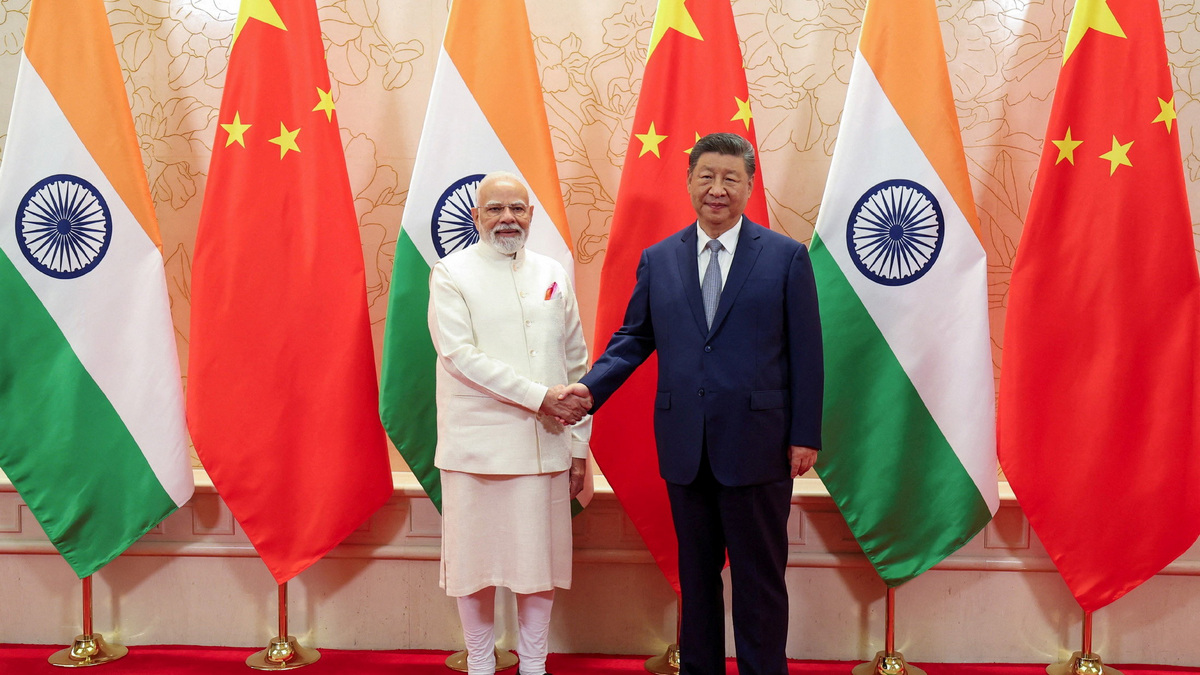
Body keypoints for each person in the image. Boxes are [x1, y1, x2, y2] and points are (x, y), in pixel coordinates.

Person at [565, 132, 823, 675]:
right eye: (706, 176)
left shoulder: (786, 258)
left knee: (759, 582)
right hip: (686, 447)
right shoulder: (660, 260)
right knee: (697, 580)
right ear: (688, 182)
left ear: (750, 186)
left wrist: (805, 434)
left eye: (731, 178)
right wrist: (591, 390)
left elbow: (808, 352)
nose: (718, 189)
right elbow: (633, 338)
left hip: (760, 447)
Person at [428, 171, 591, 675]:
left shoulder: (552, 271)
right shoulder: (450, 273)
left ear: (531, 217)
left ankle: (534, 665)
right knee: (474, 569)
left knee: (535, 568)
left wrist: (580, 446)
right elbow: (459, 355)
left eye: (517, 209)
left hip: (544, 449)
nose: (507, 219)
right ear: (476, 217)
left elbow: (577, 363)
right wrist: (540, 398)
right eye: (495, 209)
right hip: (475, 450)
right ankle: (480, 663)